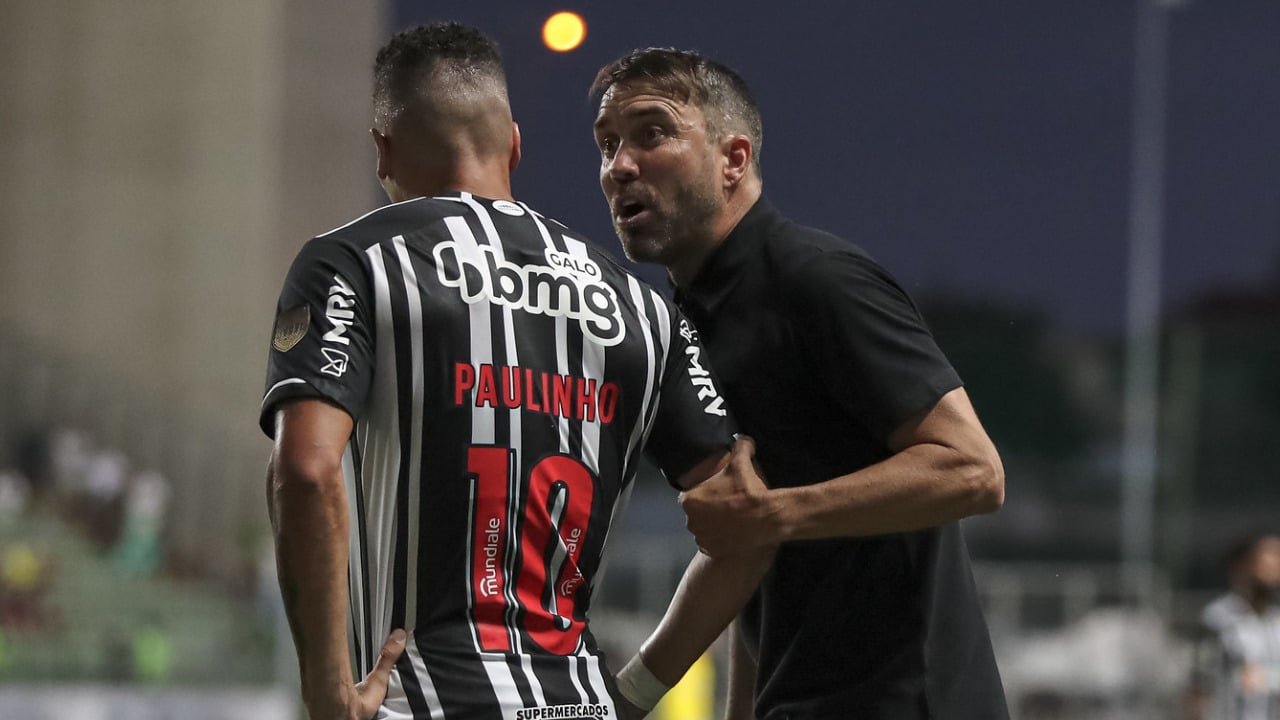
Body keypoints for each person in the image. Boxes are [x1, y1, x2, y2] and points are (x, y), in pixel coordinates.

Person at [261, 24, 770, 720]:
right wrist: (634, 693)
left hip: (421, 705)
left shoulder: (352, 262)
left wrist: (326, 692)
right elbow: (751, 524)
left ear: (382, 149)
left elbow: (307, 472)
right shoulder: (639, 304)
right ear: (515, 147)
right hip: (581, 705)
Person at [590, 48, 1008, 719]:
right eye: (607, 145)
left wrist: (776, 513)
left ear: (734, 159)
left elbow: (974, 471)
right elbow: (749, 555)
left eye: (652, 133)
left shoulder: (818, 280)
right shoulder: (686, 323)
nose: (620, 167)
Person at [1189, 533, 1280, 720]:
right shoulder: (1218, 618)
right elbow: (1200, 684)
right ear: (1243, 566)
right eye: (1267, 558)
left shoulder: (1276, 620)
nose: (1274, 567)